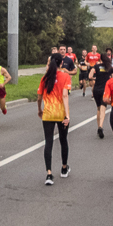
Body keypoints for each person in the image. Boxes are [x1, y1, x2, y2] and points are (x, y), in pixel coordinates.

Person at [37, 53, 72, 185]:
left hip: (48, 114)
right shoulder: (65, 76)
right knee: (63, 140)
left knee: (49, 142)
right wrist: (67, 115)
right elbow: (65, 96)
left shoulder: (45, 78)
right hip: (61, 113)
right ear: (61, 63)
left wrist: (39, 109)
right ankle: (64, 168)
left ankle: (49, 174)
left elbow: (39, 97)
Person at [90, 49, 113, 139]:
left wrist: (95, 79)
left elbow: (90, 76)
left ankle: (98, 127)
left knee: (99, 108)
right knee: (103, 108)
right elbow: (112, 79)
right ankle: (101, 126)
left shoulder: (96, 66)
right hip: (105, 90)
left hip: (96, 89)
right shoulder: (109, 68)